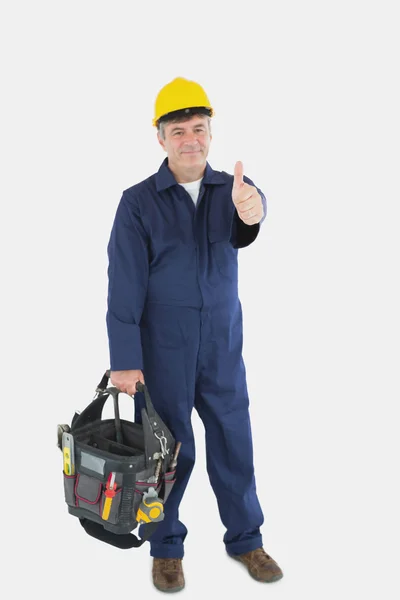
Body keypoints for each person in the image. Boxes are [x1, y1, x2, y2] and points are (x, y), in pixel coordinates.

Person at [106, 76, 283, 593]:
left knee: (234, 440)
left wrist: (256, 210)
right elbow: (124, 287)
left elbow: (249, 215)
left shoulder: (231, 189)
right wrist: (125, 359)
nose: (190, 139)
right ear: (160, 138)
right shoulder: (138, 203)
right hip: (163, 347)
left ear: (211, 133)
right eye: (178, 130)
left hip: (222, 343)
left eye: (199, 129)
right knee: (167, 451)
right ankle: (165, 548)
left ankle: (247, 539)